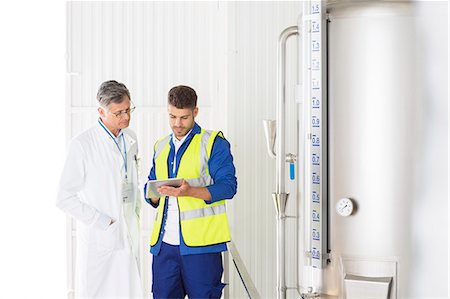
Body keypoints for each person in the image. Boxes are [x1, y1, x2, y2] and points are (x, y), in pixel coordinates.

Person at [145, 85, 237, 299]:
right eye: (172, 116)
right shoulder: (161, 146)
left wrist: (189, 191)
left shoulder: (214, 143)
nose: (177, 124)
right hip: (164, 247)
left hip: (202, 248)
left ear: (195, 112)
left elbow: (228, 187)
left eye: (184, 117)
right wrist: (154, 194)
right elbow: (150, 188)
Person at [56, 80, 144, 298]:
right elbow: (64, 198)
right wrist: (104, 221)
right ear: (101, 112)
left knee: (130, 291)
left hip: (128, 232)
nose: (126, 117)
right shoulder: (82, 145)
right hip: (101, 237)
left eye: (128, 109)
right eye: (118, 113)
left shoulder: (130, 138)